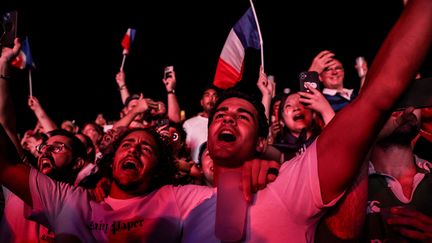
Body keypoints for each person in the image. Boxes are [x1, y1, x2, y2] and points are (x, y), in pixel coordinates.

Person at [183, 85, 219, 163]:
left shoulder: (223, 123)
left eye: (214, 96)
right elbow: (184, 152)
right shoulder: (189, 124)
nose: (211, 98)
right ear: (201, 102)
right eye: (207, 95)